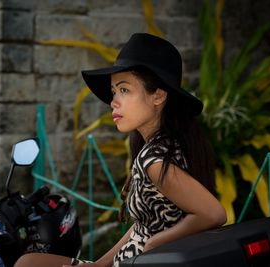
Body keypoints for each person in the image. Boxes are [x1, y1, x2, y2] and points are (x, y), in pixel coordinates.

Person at [14, 33, 226, 267]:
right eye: (115, 91)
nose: (114, 101)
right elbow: (142, 226)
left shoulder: (155, 160)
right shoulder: (161, 145)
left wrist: (155, 244)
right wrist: (99, 264)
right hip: (126, 260)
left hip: (141, 261)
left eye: (124, 90)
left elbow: (213, 214)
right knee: (30, 262)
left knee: (27, 264)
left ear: (158, 96)